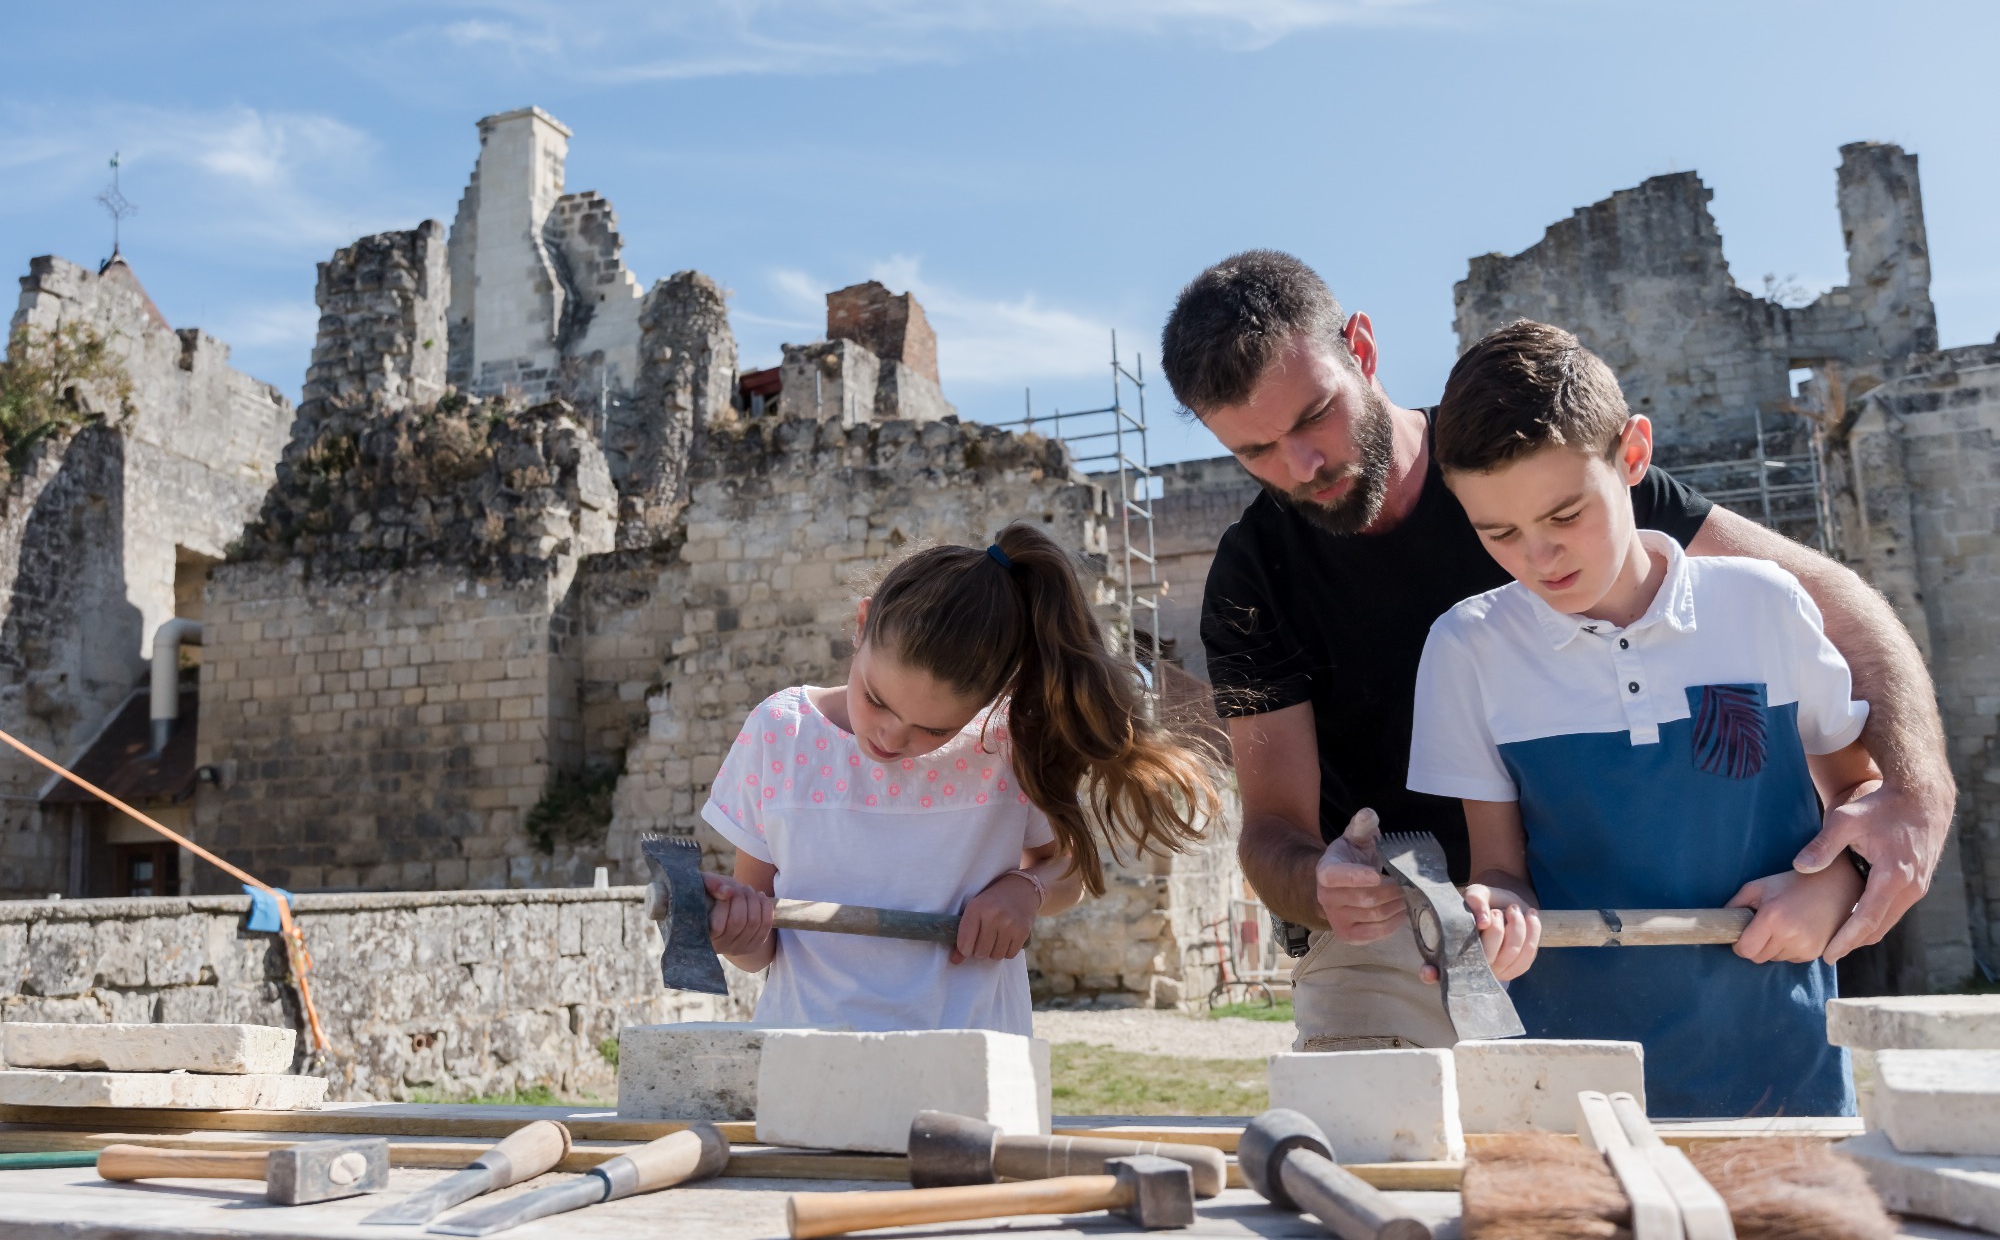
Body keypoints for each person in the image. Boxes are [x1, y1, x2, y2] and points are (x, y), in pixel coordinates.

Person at [1160, 249, 1955, 1052]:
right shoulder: (1251, 575)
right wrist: (1324, 885)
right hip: (1395, 937)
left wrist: (1917, 792)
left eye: (1313, 416)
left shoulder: (1526, 454)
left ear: (1361, 349)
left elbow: (1835, 605)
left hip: (1600, 916)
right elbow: (1273, 830)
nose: (1299, 466)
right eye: (1255, 452)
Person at [1405, 321, 1872, 1114]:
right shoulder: (1466, 646)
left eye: (1565, 515)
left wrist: (1832, 883)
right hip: (1569, 1082)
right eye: (1499, 533)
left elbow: (1860, 795)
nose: (1540, 558)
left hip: (1787, 1068)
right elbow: (1500, 868)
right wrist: (1495, 913)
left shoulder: (1765, 603)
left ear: (1633, 455)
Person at [697, 522, 1224, 1035]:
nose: (890, 737)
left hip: (972, 1058)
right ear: (862, 624)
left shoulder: (1004, 744)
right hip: (804, 1057)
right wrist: (738, 933)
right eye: (876, 699)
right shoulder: (781, 733)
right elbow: (759, 948)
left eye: (933, 729)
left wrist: (1027, 891)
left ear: (993, 695)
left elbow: (1068, 868)